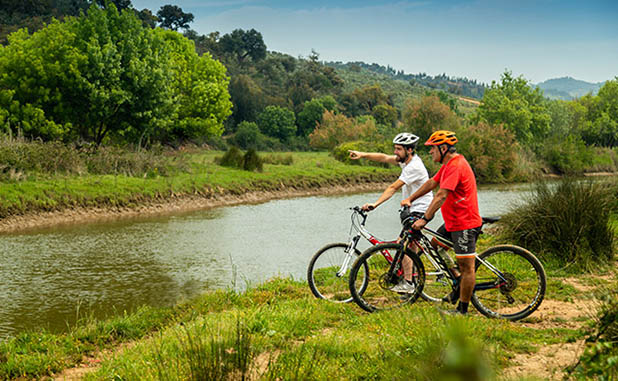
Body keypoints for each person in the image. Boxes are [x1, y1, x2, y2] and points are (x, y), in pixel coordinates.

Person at [400, 130, 482, 315]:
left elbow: (441, 195)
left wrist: (424, 219)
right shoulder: (448, 165)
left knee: (467, 268)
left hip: (465, 224)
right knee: (435, 247)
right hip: (453, 223)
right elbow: (431, 183)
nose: (430, 152)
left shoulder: (456, 166)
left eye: (433, 148)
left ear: (443, 148)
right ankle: (458, 284)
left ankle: (462, 310)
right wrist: (410, 198)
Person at [349, 132, 433, 293]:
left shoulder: (414, 166)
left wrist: (375, 204)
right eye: (395, 148)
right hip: (412, 208)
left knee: (403, 244)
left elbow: (393, 187)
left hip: (420, 209)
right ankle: (411, 282)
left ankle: (408, 283)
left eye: (398, 149)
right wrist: (362, 155)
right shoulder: (406, 161)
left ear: (409, 150)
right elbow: (384, 158)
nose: (395, 152)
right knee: (411, 247)